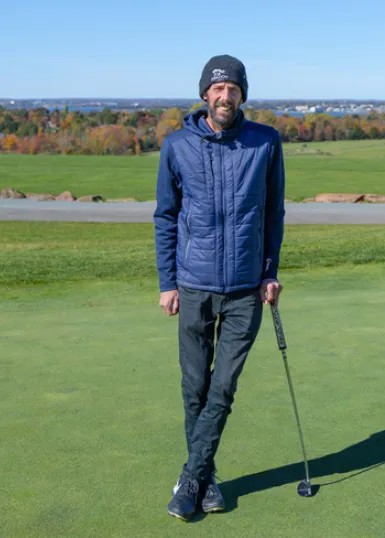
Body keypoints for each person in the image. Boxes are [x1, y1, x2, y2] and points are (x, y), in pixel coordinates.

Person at [153, 54, 286, 521]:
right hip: (193, 285)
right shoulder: (177, 145)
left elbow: (273, 212)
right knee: (195, 387)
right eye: (217, 88)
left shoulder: (265, 142)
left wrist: (270, 271)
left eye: (233, 88)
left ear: (242, 94)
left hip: (246, 289)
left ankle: (191, 478)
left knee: (223, 388)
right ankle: (206, 478)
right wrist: (167, 282)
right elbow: (166, 216)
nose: (225, 96)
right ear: (205, 94)